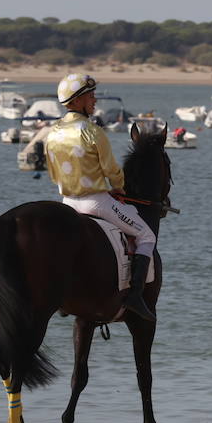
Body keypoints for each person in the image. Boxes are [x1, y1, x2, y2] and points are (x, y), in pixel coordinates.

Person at [44, 73, 156, 322]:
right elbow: (111, 170)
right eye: (90, 95)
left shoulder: (52, 133)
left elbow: (53, 173)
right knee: (146, 235)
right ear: (76, 101)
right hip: (96, 201)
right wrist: (119, 188)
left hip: (68, 204)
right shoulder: (92, 131)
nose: (94, 100)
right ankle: (136, 296)